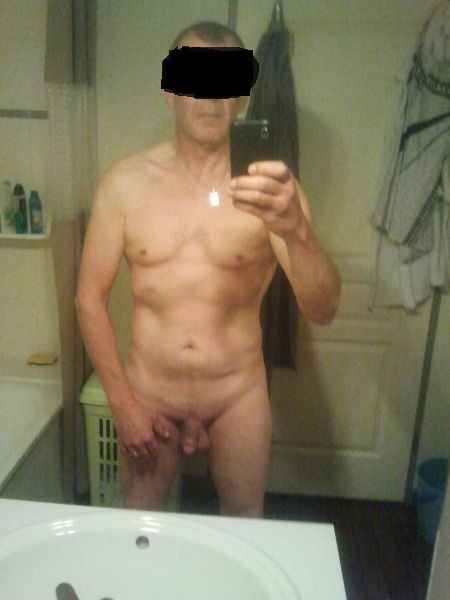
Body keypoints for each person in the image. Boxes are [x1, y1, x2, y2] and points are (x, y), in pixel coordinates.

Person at [75, 21, 341, 517]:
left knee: (244, 523)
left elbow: (324, 310)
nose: (210, 98)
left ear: (241, 96)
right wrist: (123, 404)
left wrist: (297, 232)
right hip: (150, 393)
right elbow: (89, 300)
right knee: (141, 526)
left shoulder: (272, 192)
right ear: (169, 91)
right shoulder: (124, 184)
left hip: (236, 395)